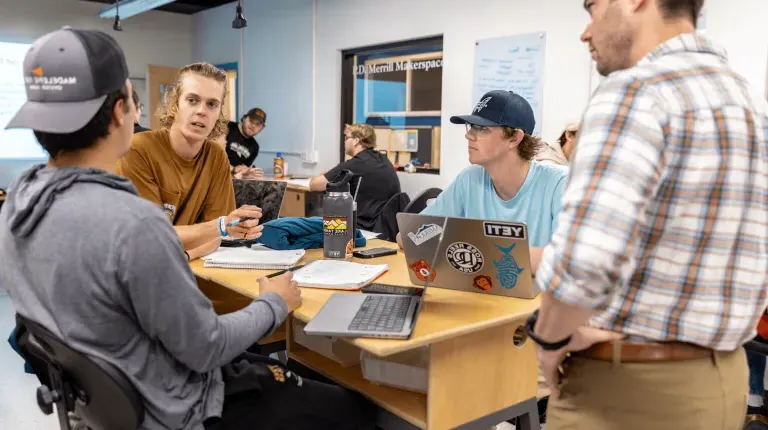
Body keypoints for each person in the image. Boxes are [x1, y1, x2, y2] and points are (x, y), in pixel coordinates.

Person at [0, 27, 375, 430]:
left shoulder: (19, 205)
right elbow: (207, 348)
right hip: (180, 406)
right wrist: (274, 303)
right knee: (354, 409)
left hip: (110, 403)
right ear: (121, 111)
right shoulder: (134, 225)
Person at [529, 1, 768, 429]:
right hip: (722, 381)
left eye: (593, 8)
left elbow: (585, 262)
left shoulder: (635, 90)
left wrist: (549, 337)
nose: (586, 32)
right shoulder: (747, 101)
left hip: (627, 391)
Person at [396, 90, 568, 273]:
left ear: (514, 138)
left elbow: (568, 263)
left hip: (536, 299)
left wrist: (473, 251)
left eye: (482, 128)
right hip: (479, 294)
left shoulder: (560, 183)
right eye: (471, 126)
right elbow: (407, 237)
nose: (469, 135)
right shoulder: (470, 179)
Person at [116, 62, 263, 256]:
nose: (202, 111)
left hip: (187, 266)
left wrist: (186, 257)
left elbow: (215, 235)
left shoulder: (217, 156)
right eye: (192, 100)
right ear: (175, 103)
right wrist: (220, 226)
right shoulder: (137, 149)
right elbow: (151, 237)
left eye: (212, 104)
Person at [309, 123, 400, 232]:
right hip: (386, 226)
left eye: (347, 138)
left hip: (363, 226)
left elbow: (314, 185)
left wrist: (323, 175)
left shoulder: (354, 164)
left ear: (356, 141)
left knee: (315, 211)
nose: (344, 142)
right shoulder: (384, 159)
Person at [220, 107, 265, 180]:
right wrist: (233, 169)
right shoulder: (226, 126)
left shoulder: (255, 147)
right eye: (251, 120)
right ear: (244, 118)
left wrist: (247, 172)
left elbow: (243, 170)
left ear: (261, 128)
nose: (253, 126)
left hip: (230, 180)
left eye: (258, 124)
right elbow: (214, 156)